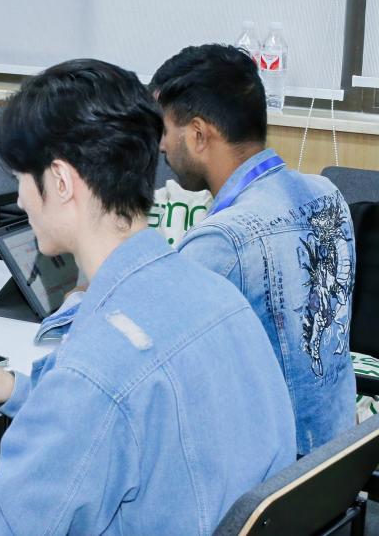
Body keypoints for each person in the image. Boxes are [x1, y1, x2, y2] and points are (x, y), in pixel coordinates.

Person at [0, 59, 296, 535]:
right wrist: (16, 390)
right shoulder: (219, 297)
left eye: (22, 179)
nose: (20, 199)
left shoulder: (95, 368)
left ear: (60, 182)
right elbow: (126, 421)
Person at [151, 43, 356, 455]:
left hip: (275, 474)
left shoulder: (222, 243)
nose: (160, 146)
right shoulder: (327, 194)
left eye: (164, 130)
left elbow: (150, 368)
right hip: (336, 456)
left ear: (197, 134)